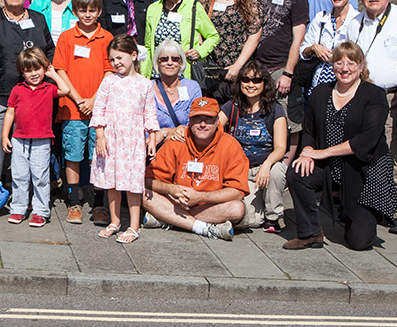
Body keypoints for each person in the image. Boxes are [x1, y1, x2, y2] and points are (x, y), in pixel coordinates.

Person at [285, 42, 397, 251]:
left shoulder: (374, 95)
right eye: (339, 63)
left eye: (351, 63)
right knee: (297, 173)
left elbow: (365, 141)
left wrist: (321, 152)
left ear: (361, 66)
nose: (345, 68)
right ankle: (310, 233)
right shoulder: (320, 93)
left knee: (359, 243)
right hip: (330, 165)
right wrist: (307, 154)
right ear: (333, 66)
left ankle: (354, 215)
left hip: (364, 170)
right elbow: (309, 131)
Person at [344, 0, 397, 236]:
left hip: (393, 96)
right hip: (362, 95)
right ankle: (372, 205)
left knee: (392, 153)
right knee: (363, 152)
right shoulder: (355, 22)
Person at [0, 0, 55, 186]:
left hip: (33, 96)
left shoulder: (37, 19)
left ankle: (23, 193)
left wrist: (45, 81)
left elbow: (49, 51)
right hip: (0, 94)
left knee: (28, 148)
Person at [142, 97, 246, 241]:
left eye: (208, 119)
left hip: (210, 207)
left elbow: (237, 192)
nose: (202, 124)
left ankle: (169, 220)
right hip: (176, 202)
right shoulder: (176, 142)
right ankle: (203, 228)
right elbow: (147, 180)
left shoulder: (231, 145)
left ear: (217, 122)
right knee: (142, 194)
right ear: (189, 121)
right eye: (197, 119)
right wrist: (171, 189)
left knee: (237, 208)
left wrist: (201, 196)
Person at [90, 35, 160, 244]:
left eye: (119, 58)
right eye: (112, 59)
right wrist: (100, 136)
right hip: (111, 139)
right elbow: (99, 109)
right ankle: (114, 221)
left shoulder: (145, 84)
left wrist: (152, 138)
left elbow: (150, 114)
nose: (116, 63)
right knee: (111, 181)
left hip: (133, 141)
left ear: (134, 55)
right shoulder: (109, 81)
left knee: (132, 183)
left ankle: (134, 225)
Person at [53, 0, 114, 225]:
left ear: (99, 11)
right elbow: (61, 69)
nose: (87, 15)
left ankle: (99, 203)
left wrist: (94, 99)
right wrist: (78, 98)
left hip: (99, 108)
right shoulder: (67, 37)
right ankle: (73, 201)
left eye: (92, 10)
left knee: (98, 156)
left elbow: (109, 70)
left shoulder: (106, 37)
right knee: (73, 155)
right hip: (72, 107)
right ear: (75, 11)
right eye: (82, 10)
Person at [2, 49, 71, 227]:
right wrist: (5, 135)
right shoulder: (17, 90)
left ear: (44, 68)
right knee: (19, 175)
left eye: (37, 69)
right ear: (21, 72)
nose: (34, 74)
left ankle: (41, 210)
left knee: (40, 176)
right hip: (19, 138)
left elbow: (66, 89)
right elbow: (10, 113)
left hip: (42, 139)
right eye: (28, 70)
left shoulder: (49, 88)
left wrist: (53, 74)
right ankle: (18, 208)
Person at [217, 62, 287, 232]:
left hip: (265, 167)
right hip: (240, 170)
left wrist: (266, 165)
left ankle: (273, 218)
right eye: (246, 79)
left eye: (256, 80)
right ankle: (260, 211)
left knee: (277, 169)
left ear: (264, 83)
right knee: (252, 219)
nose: (250, 85)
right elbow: (213, 128)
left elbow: (280, 148)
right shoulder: (232, 107)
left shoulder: (275, 110)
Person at [253, 0, 310, 144]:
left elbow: (298, 39)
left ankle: (286, 166)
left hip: (280, 67)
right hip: (259, 68)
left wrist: (288, 73)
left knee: (288, 120)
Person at [141, 0, 219, 81]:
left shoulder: (193, 7)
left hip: (184, 75)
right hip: (157, 76)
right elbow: (149, 46)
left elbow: (213, 36)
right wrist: (144, 75)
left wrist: (199, 52)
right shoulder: (153, 9)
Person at [202, 0, 262, 103]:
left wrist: (237, 66)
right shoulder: (205, 2)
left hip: (240, 73)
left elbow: (253, 36)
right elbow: (199, 34)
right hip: (211, 74)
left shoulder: (251, 4)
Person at [300, 0, 360, 94]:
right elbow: (303, 51)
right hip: (318, 84)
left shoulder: (358, 21)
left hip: (346, 84)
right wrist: (313, 48)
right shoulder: (321, 18)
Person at [148, 40, 205, 142]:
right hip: (153, 148)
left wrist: (164, 132)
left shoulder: (192, 87)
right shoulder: (147, 87)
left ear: (181, 63)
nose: (170, 63)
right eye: (164, 59)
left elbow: (195, 124)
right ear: (157, 62)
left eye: (175, 59)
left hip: (182, 146)